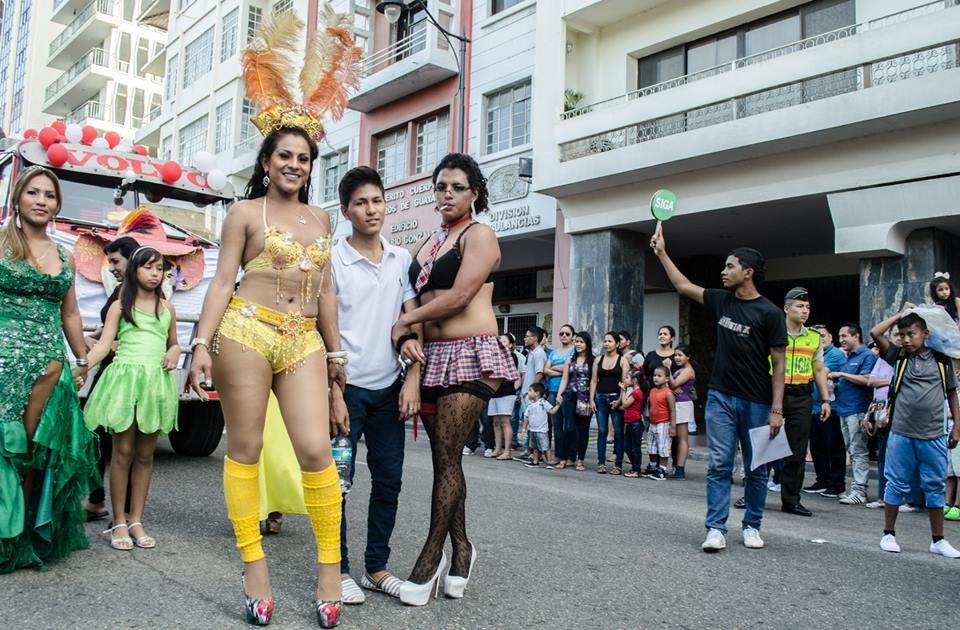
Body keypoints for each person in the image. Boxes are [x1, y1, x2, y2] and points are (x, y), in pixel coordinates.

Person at [188, 125, 348, 625]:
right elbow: (220, 282)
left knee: (317, 451)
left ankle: (329, 568)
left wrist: (336, 358)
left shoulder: (322, 217)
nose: (294, 164)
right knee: (247, 449)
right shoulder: (243, 213)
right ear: (266, 161)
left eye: (303, 157)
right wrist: (200, 343)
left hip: (303, 339)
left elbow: (325, 293)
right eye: (285, 155)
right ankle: (253, 565)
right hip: (246, 331)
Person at [392, 152, 517, 605]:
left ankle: (429, 562)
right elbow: (414, 301)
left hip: (474, 355)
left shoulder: (479, 234)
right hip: (434, 358)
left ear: (475, 194)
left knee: (447, 458)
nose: (446, 194)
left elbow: (462, 296)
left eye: (456, 187)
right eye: (441, 186)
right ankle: (462, 549)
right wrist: (411, 347)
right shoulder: (426, 244)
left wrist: (403, 323)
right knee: (449, 461)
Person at [651, 229, 786, 553]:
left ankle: (752, 525)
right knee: (720, 464)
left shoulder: (770, 313)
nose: (723, 272)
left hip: (757, 401)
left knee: (756, 468)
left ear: (748, 272)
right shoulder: (721, 300)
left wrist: (777, 409)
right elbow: (683, 286)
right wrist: (661, 253)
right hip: (720, 397)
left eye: (729, 266)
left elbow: (779, 365)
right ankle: (715, 529)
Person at [327, 166, 423, 603]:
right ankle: (339, 570)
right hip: (346, 391)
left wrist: (412, 381)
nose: (372, 209)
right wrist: (331, 392)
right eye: (362, 202)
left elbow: (411, 320)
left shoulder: (401, 259)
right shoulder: (332, 259)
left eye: (377, 200)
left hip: (389, 391)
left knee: (389, 480)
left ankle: (376, 567)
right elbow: (321, 329)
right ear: (346, 210)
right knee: (337, 483)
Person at [0, 166, 99, 573]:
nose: (41, 201)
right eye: (33, 193)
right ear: (18, 198)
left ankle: (22, 537)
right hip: (3, 361)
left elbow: (71, 313)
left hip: (48, 365)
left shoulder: (64, 254)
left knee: (34, 454)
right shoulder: (2, 243)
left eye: (50, 196)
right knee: (7, 447)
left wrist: (81, 360)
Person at [83, 246, 180, 550]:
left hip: (154, 386)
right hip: (125, 382)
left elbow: (174, 343)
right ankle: (119, 521)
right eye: (148, 267)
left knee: (145, 455)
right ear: (134, 270)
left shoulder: (167, 310)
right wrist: (84, 366)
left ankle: (136, 520)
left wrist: (175, 351)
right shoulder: (119, 307)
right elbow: (103, 345)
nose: (155, 273)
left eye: (160, 268)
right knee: (122, 453)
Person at [870, 308, 960, 557]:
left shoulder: (942, 360)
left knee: (934, 486)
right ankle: (888, 533)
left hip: (934, 435)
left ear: (925, 334)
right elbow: (875, 332)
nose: (906, 339)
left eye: (912, 334)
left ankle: (938, 540)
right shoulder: (898, 356)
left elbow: (952, 393)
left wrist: (957, 428)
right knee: (895, 483)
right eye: (902, 334)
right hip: (901, 433)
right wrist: (902, 313)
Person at [83, 235, 139, 522]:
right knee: (94, 435)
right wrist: (87, 339)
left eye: (116, 261)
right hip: (106, 370)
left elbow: (142, 336)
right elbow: (108, 329)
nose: (113, 267)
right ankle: (97, 498)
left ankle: (126, 511)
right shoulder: (120, 290)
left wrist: (109, 345)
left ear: (132, 259)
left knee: (124, 443)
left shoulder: (142, 294)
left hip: (125, 374)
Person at [771, 288, 831, 518]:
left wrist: (825, 399)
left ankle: (791, 500)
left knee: (796, 450)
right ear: (786, 309)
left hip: (801, 396)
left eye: (807, 307)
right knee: (764, 444)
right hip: (773, 393)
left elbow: (818, 369)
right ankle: (751, 494)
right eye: (799, 306)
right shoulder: (773, 332)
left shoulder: (814, 337)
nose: (804, 311)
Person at [829, 323, 878, 506]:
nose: (841, 340)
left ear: (856, 336)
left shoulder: (866, 356)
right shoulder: (846, 358)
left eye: (844, 336)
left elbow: (868, 380)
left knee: (858, 451)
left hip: (858, 409)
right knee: (852, 450)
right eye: (840, 337)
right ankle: (855, 489)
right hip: (844, 408)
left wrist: (841, 374)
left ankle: (860, 491)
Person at [591, 332, 631, 475]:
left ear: (617, 344)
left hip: (616, 399)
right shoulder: (598, 360)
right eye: (605, 341)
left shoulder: (622, 361)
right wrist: (591, 399)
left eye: (610, 341)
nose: (606, 344)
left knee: (618, 432)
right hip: (600, 398)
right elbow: (594, 381)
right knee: (602, 431)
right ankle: (601, 463)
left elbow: (625, 383)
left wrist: (620, 400)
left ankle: (618, 464)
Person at [556, 331, 595, 471]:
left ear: (587, 344)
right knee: (569, 428)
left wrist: (592, 399)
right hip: (570, 397)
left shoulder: (593, 360)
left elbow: (594, 381)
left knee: (583, 430)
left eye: (581, 342)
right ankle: (564, 458)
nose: (578, 344)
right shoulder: (570, 360)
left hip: (586, 398)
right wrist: (559, 394)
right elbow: (565, 379)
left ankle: (580, 460)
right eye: (577, 341)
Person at [544, 324, 576, 468]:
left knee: (569, 426)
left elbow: (571, 368)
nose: (564, 336)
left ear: (573, 337)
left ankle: (570, 456)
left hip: (568, 392)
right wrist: (563, 369)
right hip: (552, 391)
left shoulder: (575, 351)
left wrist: (556, 368)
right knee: (556, 425)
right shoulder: (554, 352)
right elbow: (545, 370)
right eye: (561, 333)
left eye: (567, 334)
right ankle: (558, 454)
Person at [667, 344, 696, 480]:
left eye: (680, 355)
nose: (677, 358)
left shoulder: (688, 370)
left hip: (682, 404)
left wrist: (667, 368)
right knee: (676, 438)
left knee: (682, 437)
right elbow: (671, 385)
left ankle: (680, 469)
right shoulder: (681, 369)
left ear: (688, 357)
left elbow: (672, 384)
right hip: (677, 403)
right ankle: (676, 467)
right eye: (676, 355)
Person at [488, 334, 519, 460]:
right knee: (495, 422)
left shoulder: (512, 356)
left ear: (511, 345)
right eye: (499, 340)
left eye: (504, 341)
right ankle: (497, 449)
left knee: (505, 422)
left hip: (506, 392)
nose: (501, 342)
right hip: (494, 392)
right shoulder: (494, 356)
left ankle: (507, 451)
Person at [645, 366, 677, 481]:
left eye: (659, 376)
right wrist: (648, 419)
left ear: (667, 378)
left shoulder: (668, 393)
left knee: (663, 447)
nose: (656, 378)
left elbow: (673, 410)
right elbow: (650, 406)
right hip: (653, 423)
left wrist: (673, 426)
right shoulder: (652, 391)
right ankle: (653, 467)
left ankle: (662, 470)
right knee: (651, 446)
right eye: (654, 375)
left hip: (664, 423)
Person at [520, 383, 555, 468]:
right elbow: (526, 418)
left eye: (530, 390)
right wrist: (524, 429)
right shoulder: (530, 405)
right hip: (532, 430)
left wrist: (557, 405)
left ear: (537, 393)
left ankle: (549, 462)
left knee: (545, 447)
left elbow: (552, 411)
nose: (528, 392)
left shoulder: (543, 403)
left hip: (542, 430)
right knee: (535, 447)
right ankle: (535, 461)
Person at [619, 371, 645, 478]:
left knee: (635, 448)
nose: (625, 380)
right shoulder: (634, 392)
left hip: (635, 423)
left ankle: (636, 469)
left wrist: (623, 390)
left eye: (627, 377)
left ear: (634, 380)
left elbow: (625, 404)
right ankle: (635, 467)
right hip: (630, 423)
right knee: (627, 446)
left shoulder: (637, 392)